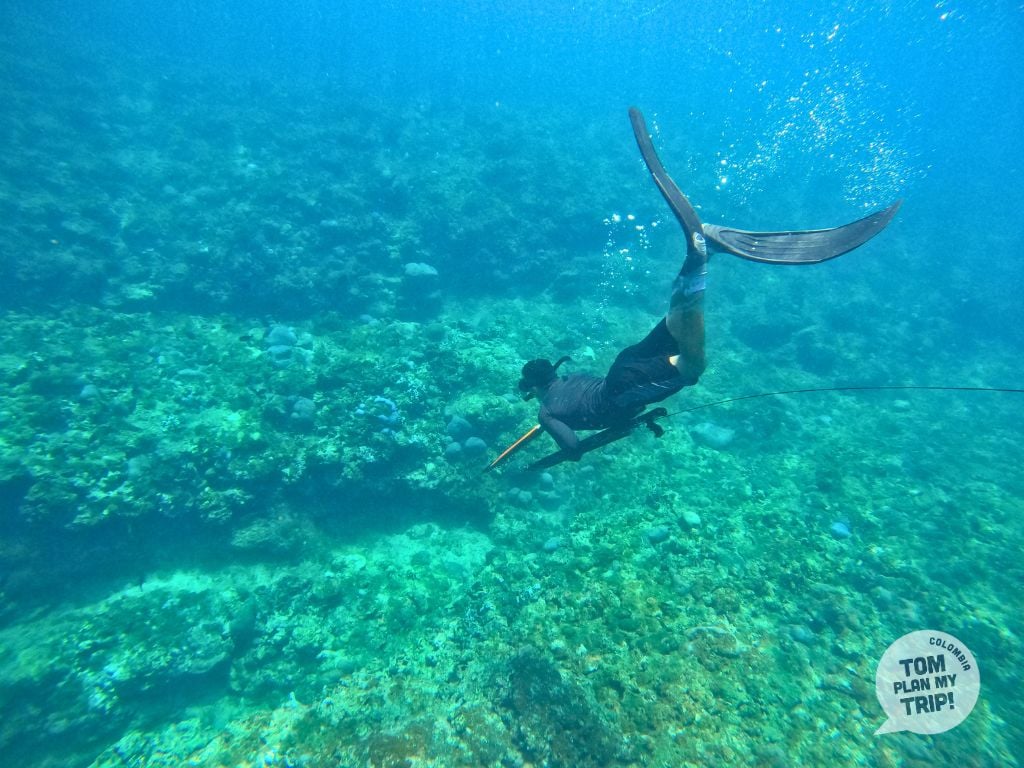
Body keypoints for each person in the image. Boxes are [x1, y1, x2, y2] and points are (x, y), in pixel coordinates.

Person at [515, 107, 900, 461]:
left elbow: (572, 444)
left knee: (692, 367)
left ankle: (702, 255)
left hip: (624, 387)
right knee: (673, 324)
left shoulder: (546, 410)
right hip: (623, 366)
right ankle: (696, 262)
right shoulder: (571, 378)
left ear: (532, 388)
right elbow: (591, 402)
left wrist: (571, 450)